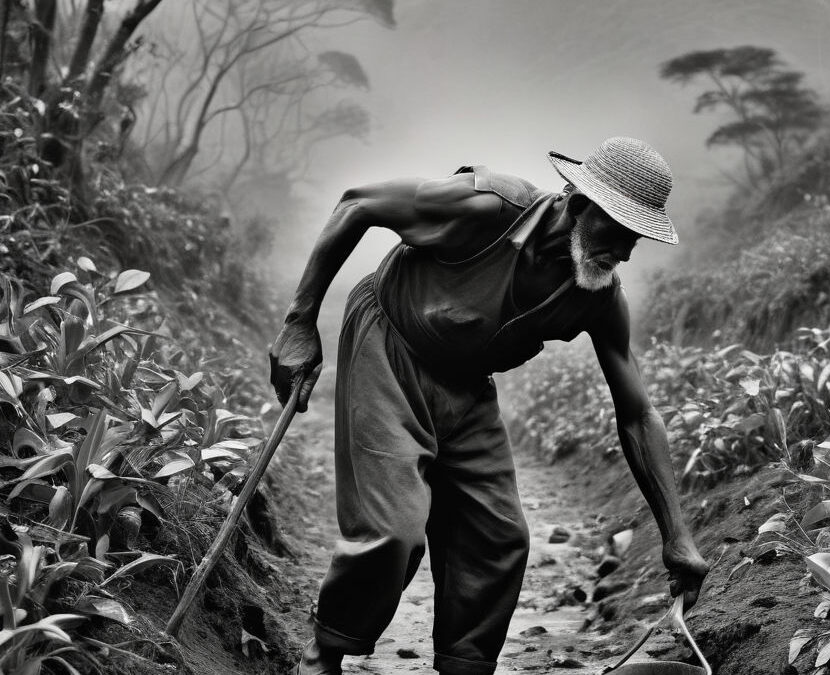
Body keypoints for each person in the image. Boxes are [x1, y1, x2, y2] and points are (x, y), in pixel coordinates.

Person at [269, 136, 709, 675]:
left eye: (635, 237)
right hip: (390, 346)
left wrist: (677, 537)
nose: (624, 250)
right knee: (394, 531)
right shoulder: (488, 207)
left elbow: (637, 414)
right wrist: (299, 322)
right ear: (577, 203)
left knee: (499, 538)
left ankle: (463, 666)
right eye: (616, 230)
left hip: (467, 385)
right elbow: (357, 202)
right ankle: (323, 655)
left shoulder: (597, 295)